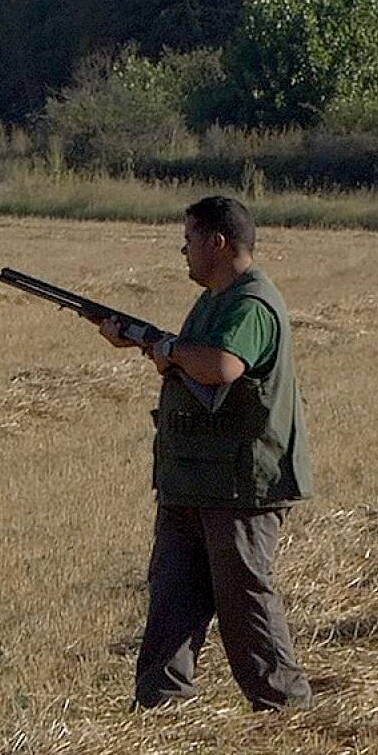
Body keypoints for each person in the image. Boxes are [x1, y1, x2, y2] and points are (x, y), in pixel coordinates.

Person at [94, 195, 314, 711]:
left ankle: (286, 708)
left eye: (190, 239)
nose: (183, 250)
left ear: (217, 242)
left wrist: (167, 350)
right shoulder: (215, 298)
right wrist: (154, 348)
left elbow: (221, 366)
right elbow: (196, 370)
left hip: (238, 482)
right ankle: (161, 707)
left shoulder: (251, 302)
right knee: (173, 595)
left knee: (244, 601)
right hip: (194, 478)